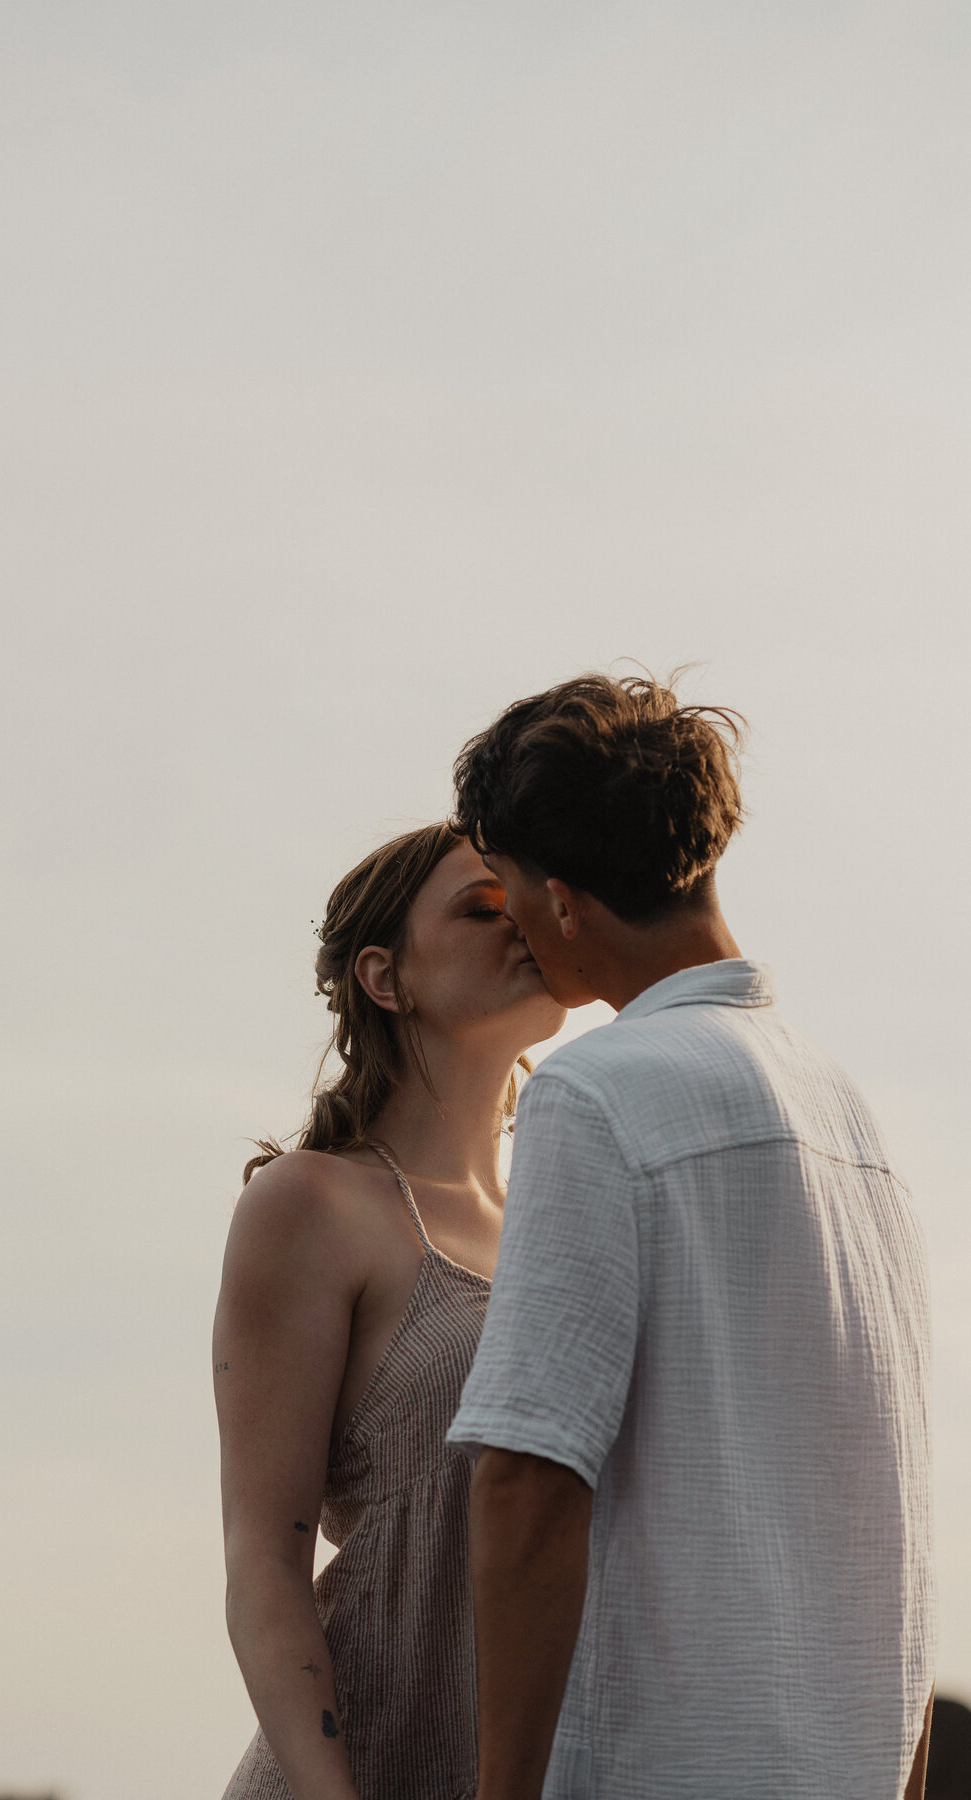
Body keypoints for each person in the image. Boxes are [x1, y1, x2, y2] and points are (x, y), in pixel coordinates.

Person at [445, 672, 935, 1800]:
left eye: (506, 890)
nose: (511, 920)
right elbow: (890, 1512)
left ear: (564, 904)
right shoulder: (857, 1121)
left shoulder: (594, 1095)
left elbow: (526, 1478)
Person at [214, 823, 566, 1800]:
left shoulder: (569, 1216)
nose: (523, 923)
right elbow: (262, 1564)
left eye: (530, 897)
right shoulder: (310, 1206)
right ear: (385, 976)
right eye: (481, 907)